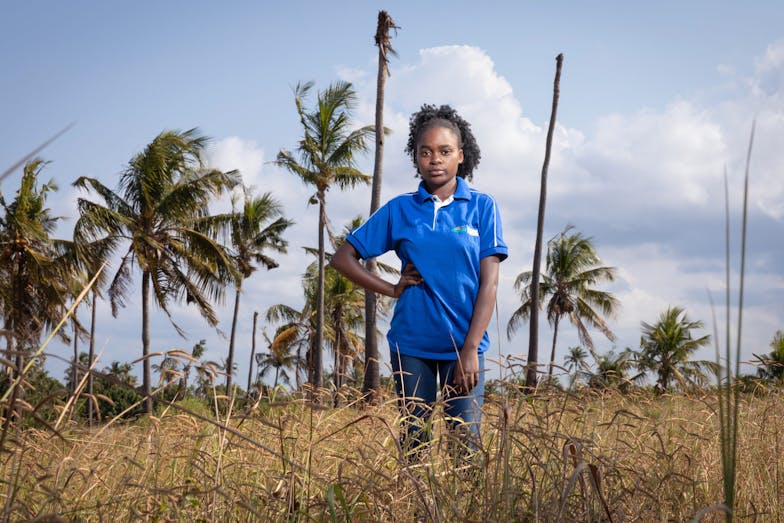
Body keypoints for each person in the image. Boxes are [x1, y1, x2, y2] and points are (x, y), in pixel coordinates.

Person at [330, 104, 508, 459]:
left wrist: (471, 348)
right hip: (412, 345)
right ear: (416, 157)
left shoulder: (481, 207)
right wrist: (392, 289)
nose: (435, 160)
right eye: (425, 152)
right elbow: (342, 258)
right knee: (415, 445)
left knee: (466, 449)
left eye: (444, 151)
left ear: (461, 155)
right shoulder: (401, 209)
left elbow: (489, 285)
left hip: (463, 346)